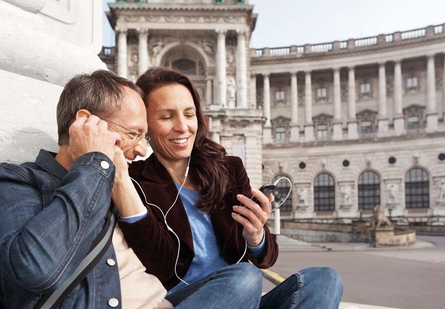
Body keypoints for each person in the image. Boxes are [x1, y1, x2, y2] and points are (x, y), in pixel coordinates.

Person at [0, 70, 261, 308]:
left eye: (143, 137)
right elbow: (33, 268)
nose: (140, 151)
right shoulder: (17, 180)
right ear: (87, 124)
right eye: (134, 134)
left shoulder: (120, 184)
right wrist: (93, 164)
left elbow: (167, 264)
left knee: (285, 282)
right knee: (245, 279)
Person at [120, 67, 344, 308]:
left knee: (325, 279)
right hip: (186, 299)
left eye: (189, 114)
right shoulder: (135, 182)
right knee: (244, 277)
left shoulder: (228, 168)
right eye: (167, 117)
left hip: (241, 296)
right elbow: (157, 264)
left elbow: (266, 257)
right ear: (145, 125)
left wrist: (256, 237)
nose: (183, 127)